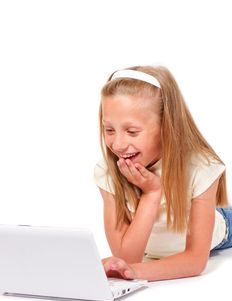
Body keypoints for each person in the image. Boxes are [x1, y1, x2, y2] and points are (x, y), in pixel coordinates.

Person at [93, 65, 231, 282]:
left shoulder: (201, 166)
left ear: (166, 126)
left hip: (220, 228)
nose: (118, 144)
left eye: (132, 132)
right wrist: (151, 194)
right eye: (109, 130)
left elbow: (195, 260)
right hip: (155, 252)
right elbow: (127, 257)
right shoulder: (107, 171)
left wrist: (138, 272)